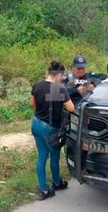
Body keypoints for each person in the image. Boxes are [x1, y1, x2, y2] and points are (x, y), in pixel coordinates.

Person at [30, 60, 75, 200]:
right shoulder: (59, 88)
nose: (62, 78)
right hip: (50, 129)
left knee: (42, 156)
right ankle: (57, 183)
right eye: (62, 76)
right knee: (54, 156)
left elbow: (32, 104)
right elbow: (71, 108)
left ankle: (43, 189)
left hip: (36, 124)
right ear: (59, 74)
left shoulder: (37, 85)